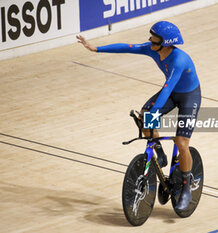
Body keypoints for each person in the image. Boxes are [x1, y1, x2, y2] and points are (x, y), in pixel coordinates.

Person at [76, 21, 201, 211]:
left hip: (188, 97)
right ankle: (159, 152)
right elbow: (127, 47)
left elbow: (167, 90)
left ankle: (185, 189)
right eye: (151, 35)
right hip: (173, 92)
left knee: (181, 142)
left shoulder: (179, 60)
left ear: (166, 42)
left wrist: (155, 113)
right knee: (144, 116)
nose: (150, 40)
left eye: (155, 38)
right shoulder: (153, 49)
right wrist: (95, 48)